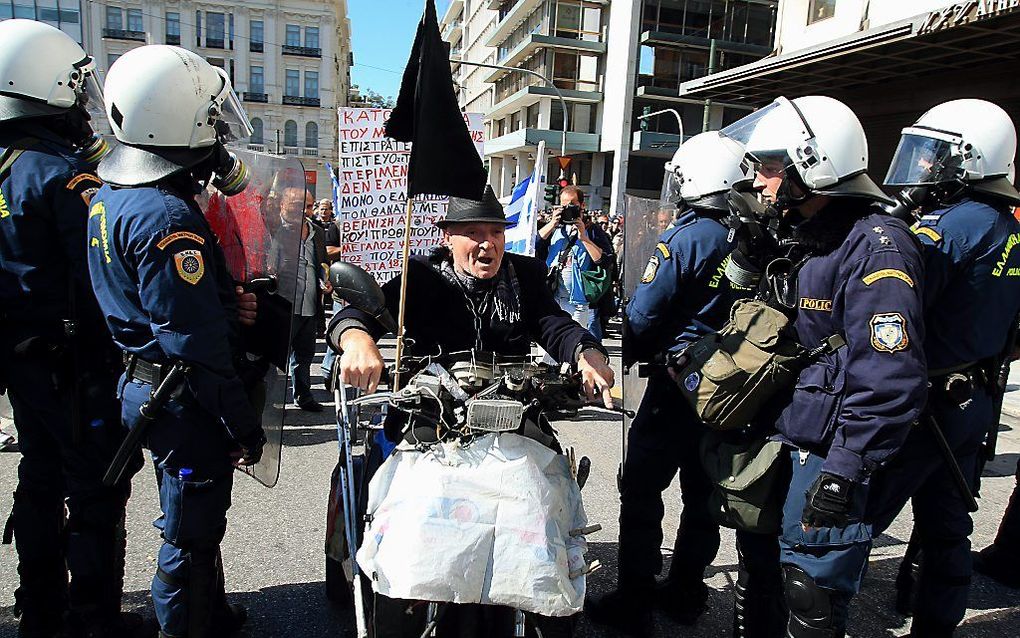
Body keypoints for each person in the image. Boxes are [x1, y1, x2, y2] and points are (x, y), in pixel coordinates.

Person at [328, 184, 616, 636]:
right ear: (448, 237)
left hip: (512, 416)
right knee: (395, 505)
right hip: (430, 418)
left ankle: (549, 603)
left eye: (496, 232)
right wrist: (357, 340)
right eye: (473, 232)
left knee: (551, 500)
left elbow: (552, 322)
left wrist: (586, 351)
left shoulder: (526, 274)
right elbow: (355, 314)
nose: (487, 243)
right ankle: (387, 588)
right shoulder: (418, 275)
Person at [720, 95, 927, 638]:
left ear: (812, 165)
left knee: (811, 588)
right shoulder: (804, 236)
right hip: (789, 428)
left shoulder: (876, 247)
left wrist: (846, 466)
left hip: (832, 445)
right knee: (758, 562)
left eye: (769, 167)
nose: (760, 181)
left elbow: (890, 374)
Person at [85, 45, 266, 638]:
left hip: (147, 382)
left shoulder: (111, 197)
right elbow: (194, 344)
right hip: (181, 394)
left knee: (192, 516)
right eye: (209, 118)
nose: (217, 131)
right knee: (188, 535)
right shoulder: (167, 218)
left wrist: (222, 300)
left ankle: (209, 617)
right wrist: (242, 423)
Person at [0, 19, 149, 638]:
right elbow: (100, 275)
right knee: (94, 485)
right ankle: (93, 619)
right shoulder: (60, 175)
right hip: (72, 359)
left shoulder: (8, 164)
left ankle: (38, 605)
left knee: (37, 473)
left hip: (20, 357)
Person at [585, 132, 758, 636]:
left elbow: (642, 313)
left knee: (641, 489)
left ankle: (635, 601)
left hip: (676, 386)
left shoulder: (690, 234)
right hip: (730, 388)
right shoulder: (749, 232)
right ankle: (686, 592)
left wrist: (636, 353)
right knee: (702, 495)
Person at [875, 99, 1020, 636]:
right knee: (947, 527)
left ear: (969, 160)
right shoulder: (1008, 226)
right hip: (973, 400)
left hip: (919, 403)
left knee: (848, 525)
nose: (925, 168)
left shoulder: (950, 227)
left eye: (936, 157)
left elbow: (895, 306)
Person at [272, 188, 331, 411]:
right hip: (284, 306)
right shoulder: (275, 230)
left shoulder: (317, 231)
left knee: (304, 355)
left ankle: (303, 396)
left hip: (309, 304)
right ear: (282, 204)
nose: (304, 211)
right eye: (298, 205)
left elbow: (323, 263)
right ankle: (272, 403)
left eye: (308, 206)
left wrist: (326, 280)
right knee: (276, 357)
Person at [538, 186, 613, 340]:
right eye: (564, 206)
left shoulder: (593, 231)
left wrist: (584, 237)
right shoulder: (554, 229)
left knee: (574, 342)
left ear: (582, 206)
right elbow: (534, 245)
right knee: (550, 346)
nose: (568, 210)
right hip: (553, 298)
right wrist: (552, 223)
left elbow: (604, 261)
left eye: (572, 206)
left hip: (579, 302)